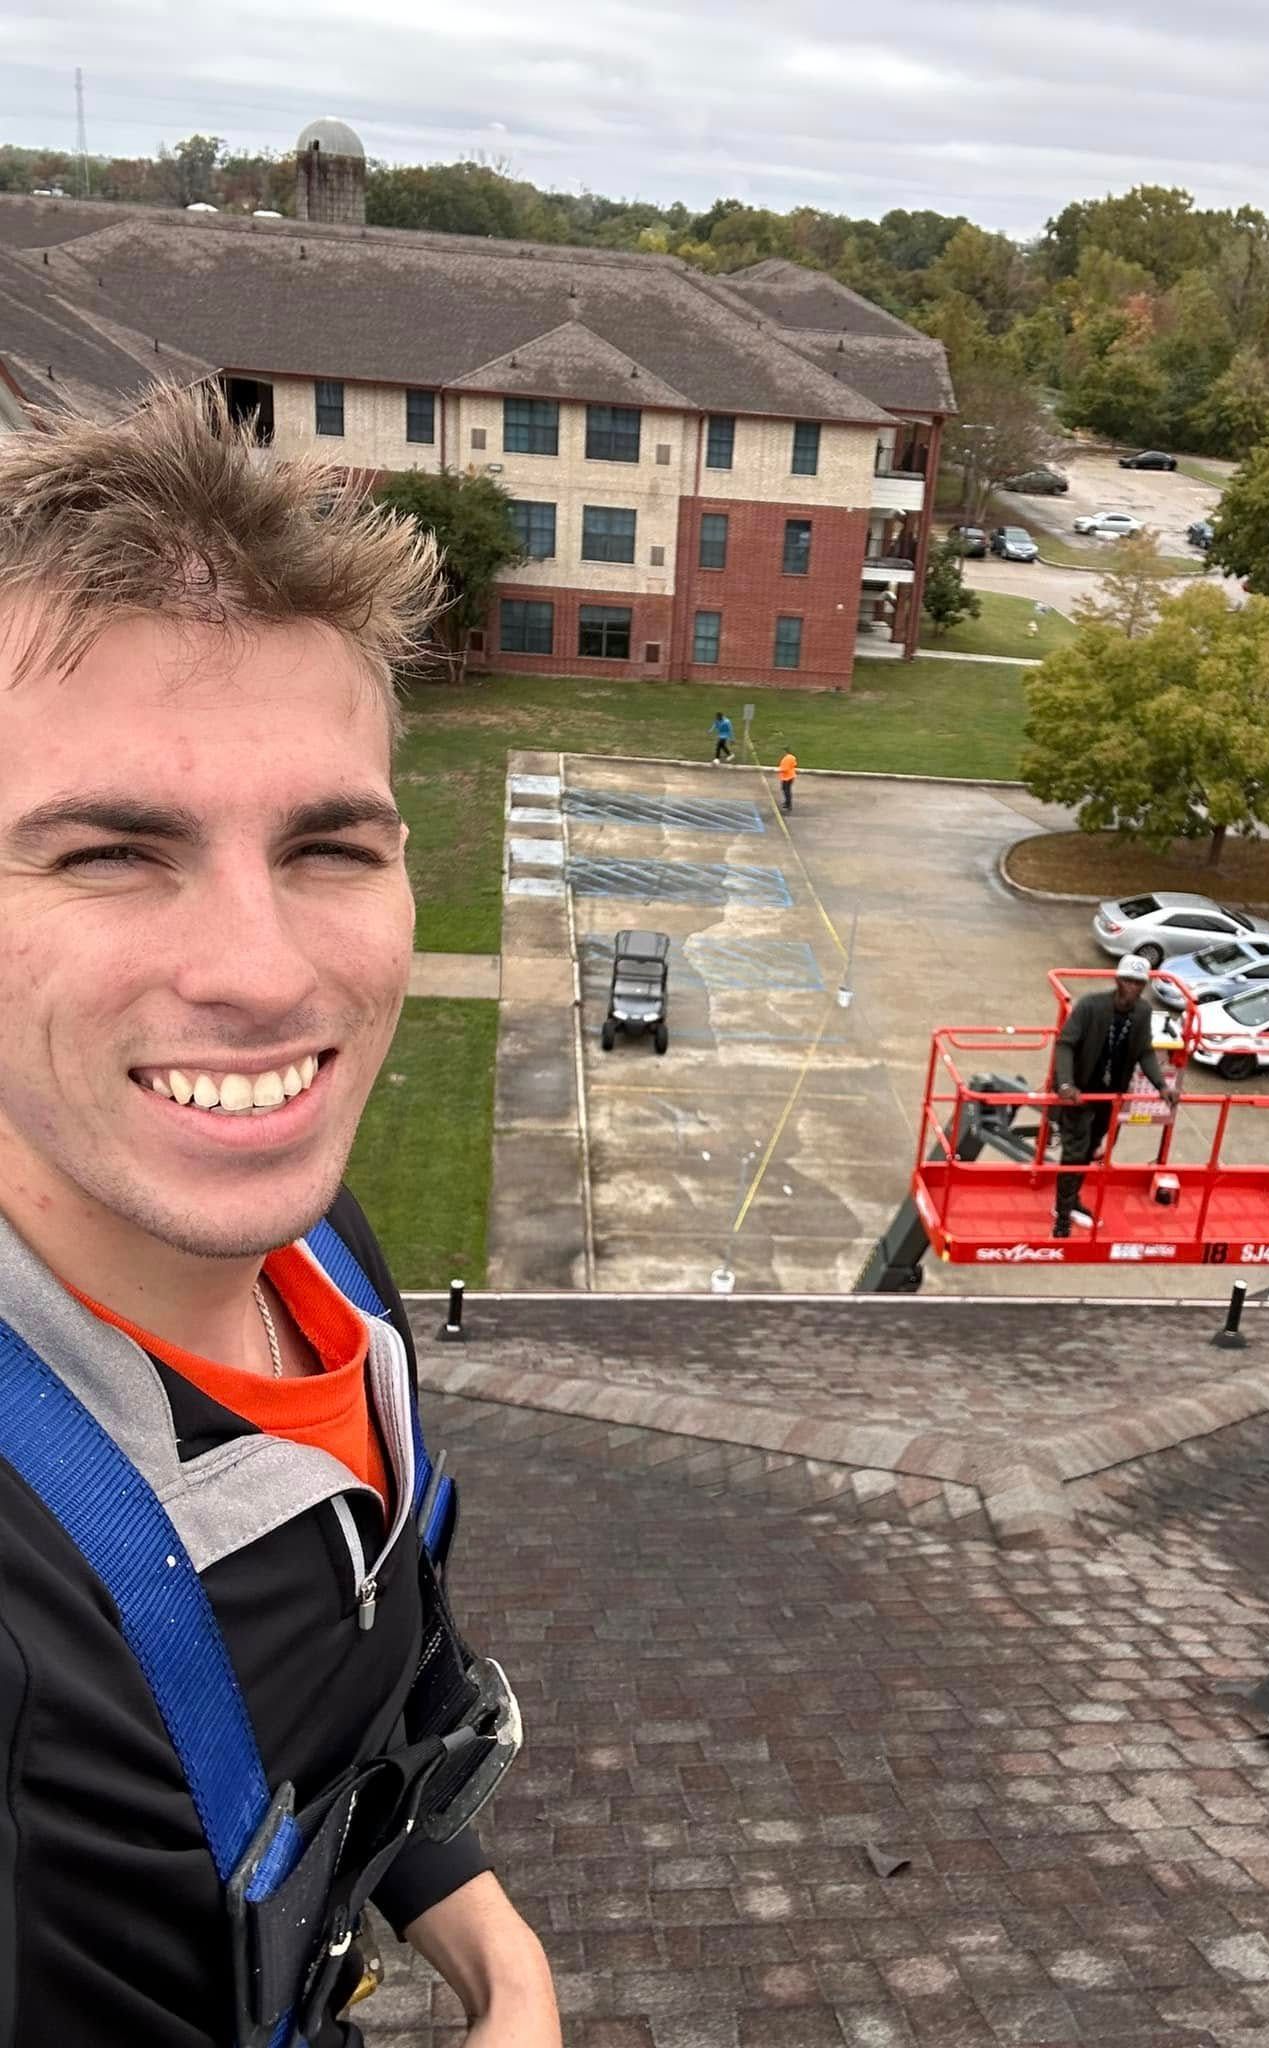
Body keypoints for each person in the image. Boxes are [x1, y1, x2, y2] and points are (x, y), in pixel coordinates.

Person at [0, 390, 561, 2048]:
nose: (260, 971)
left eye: (327, 843)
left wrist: (499, 1957)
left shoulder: (318, 1257)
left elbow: (363, 1686)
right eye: (110, 850)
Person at [1051, 956, 1176, 1238]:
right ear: (1117, 981)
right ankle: (1061, 1213)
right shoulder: (1090, 1007)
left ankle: (1071, 1201)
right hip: (1081, 1093)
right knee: (1073, 1153)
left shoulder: (1142, 1013)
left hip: (1109, 1096)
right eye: (1128, 981)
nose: (1132, 988)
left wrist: (1161, 1085)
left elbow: (1144, 1050)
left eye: (1138, 983)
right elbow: (1065, 1044)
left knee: (1090, 1149)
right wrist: (1067, 1084)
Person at [778, 747, 798, 813]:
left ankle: (788, 805)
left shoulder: (786, 759)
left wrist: (780, 769)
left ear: (785, 751)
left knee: (786, 790)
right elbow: (795, 764)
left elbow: (785, 769)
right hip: (790, 776)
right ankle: (787, 803)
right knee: (785, 789)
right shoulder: (792, 757)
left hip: (787, 777)